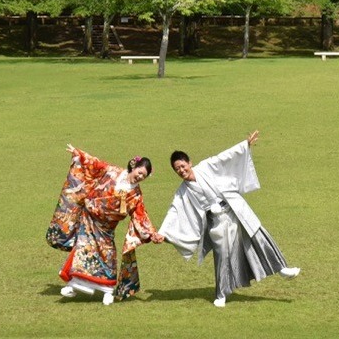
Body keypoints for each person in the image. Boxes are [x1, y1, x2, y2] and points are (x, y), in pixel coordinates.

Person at [158, 130, 300, 307]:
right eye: (177, 169)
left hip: (234, 207)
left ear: (189, 162)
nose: (181, 170)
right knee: (222, 254)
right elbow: (174, 210)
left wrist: (245, 145)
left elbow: (224, 157)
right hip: (216, 220)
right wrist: (163, 233)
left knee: (257, 235)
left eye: (182, 166)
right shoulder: (182, 191)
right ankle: (221, 294)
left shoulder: (206, 166)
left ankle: (282, 268)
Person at [46, 144, 164, 305]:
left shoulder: (136, 196)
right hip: (90, 219)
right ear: (134, 167)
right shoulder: (112, 171)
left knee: (107, 255)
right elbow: (94, 164)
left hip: (107, 227)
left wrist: (152, 233)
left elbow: (141, 216)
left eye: (144, 176)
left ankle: (107, 289)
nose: (140, 177)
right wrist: (78, 154)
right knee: (83, 249)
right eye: (140, 172)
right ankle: (74, 285)